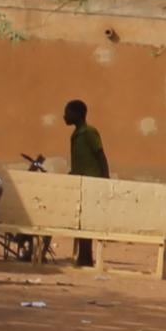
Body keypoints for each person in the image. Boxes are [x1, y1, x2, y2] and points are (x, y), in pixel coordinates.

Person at [62, 98, 107, 265]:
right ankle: (84, 256)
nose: (64, 115)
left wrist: (105, 180)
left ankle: (86, 257)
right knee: (80, 219)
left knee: (87, 220)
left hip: (92, 182)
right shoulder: (76, 134)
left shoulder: (89, 132)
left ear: (77, 114)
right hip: (80, 182)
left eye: (67, 112)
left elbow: (101, 155)